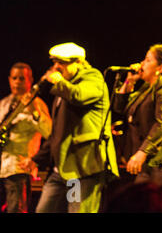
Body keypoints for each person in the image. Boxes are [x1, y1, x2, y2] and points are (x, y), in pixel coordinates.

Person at [30, 42, 119, 213]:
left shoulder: (93, 78)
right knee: (43, 210)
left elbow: (79, 96)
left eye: (61, 63)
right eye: (54, 62)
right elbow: (57, 132)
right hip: (60, 170)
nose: (56, 67)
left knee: (78, 210)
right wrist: (36, 159)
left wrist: (60, 82)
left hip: (80, 170)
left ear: (78, 62)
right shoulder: (63, 89)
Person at [112, 44, 162, 185]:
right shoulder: (145, 89)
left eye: (148, 60)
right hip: (152, 161)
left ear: (160, 68)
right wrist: (129, 81)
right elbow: (119, 108)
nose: (142, 64)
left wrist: (142, 152)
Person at [0, 62, 52, 213]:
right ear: (9, 79)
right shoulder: (3, 103)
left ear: (30, 80)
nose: (17, 82)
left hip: (18, 170)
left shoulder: (37, 104)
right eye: (14, 78)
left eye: (22, 78)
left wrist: (34, 112)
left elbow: (50, 132)